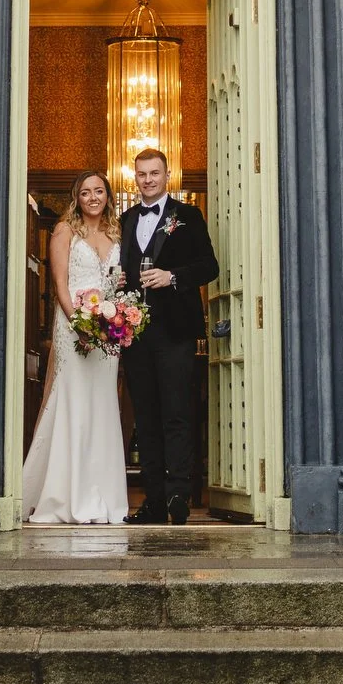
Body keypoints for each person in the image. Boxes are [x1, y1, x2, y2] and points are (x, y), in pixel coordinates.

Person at [21, 171, 129, 525]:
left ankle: (103, 496)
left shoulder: (116, 233)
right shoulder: (65, 231)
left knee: (102, 405)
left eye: (99, 191)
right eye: (86, 192)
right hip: (75, 330)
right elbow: (60, 283)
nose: (93, 197)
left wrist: (117, 312)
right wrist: (78, 325)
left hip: (107, 334)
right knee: (73, 403)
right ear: (77, 198)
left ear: (108, 196)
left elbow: (113, 284)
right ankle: (64, 495)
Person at [120, 146, 219, 525]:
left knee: (176, 413)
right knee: (145, 418)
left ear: (166, 175)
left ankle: (179, 494)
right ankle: (154, 501)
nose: (148, 180)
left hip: (175, 330)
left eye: (154, 173)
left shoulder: (188, 215)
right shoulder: (127, 219)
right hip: (135, 332)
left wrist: (172, 277)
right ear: (135, 177)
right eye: (142, 174)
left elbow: (210, 266)